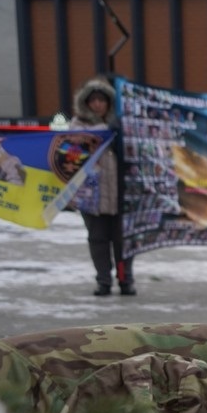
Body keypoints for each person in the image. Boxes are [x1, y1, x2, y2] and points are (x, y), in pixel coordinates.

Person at [70, 77, 132, 296]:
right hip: (91, 196)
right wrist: (104, 131)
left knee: (123, 241)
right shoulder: (78, 126)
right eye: (93, 100)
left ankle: (125, 280)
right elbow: (73, 145)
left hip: (120, 193)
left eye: (102, 100)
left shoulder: (122, 124)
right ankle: (103, 281)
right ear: (86, 103)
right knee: (98, 240)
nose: (97, 104)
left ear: (109, 102)